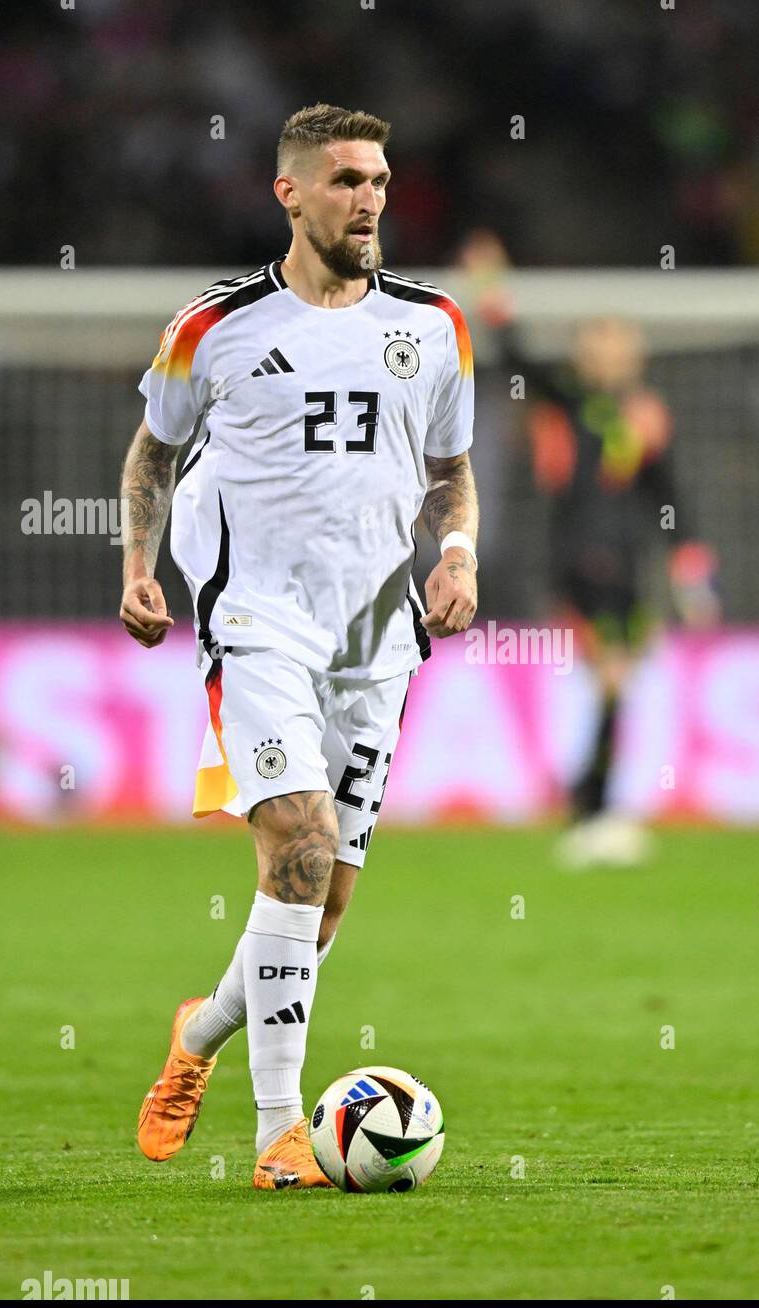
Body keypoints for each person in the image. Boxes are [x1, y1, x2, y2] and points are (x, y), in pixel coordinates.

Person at [119, 104, 479, 1189]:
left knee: (320, 906)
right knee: (297, 843)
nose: (368, 199)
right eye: (344, 181)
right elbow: (150, 457)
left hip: (378, 638)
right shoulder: (211, 326)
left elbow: (450, 470)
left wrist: (456, 551)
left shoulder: (434, 325)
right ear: (289, 193)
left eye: (377, 180)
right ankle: (281, 1132)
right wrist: (137, 567)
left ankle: (201, 1031)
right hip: (257, 622)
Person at [460, 231, 716, 867]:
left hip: (629, 561)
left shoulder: (647, 415)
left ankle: (590, 800)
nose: (611, 353)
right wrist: (492, 289)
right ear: (583, 353)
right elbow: (515, 355)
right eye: (599, 342)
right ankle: (593, 807)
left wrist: (692, 569)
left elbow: (670, 495)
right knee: (609, 675)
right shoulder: (566, 402)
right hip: (580, 555)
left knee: (617, 681)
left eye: (621, 343)